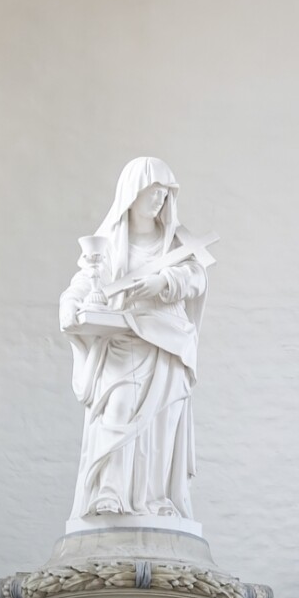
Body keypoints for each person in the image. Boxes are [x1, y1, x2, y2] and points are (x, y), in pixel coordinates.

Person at [59, 156, 210, 523]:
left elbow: (197, 278)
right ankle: (110, 492)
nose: (159, 200)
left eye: (165, 193)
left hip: (168, 341)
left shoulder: (177, 241)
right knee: (119, 406)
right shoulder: (111, 243)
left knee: (161, 420)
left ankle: (157, 499)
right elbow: (85, 281)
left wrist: (165, 282)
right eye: (153, 192)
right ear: (132, 194)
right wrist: (70, 303)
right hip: (124, 339)